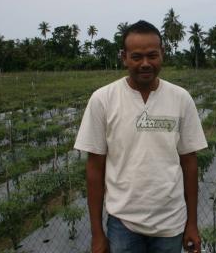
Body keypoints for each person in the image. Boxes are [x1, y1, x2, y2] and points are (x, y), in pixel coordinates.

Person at [74, 20, 207, 253]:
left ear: (162, 54)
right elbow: (95, 167)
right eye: (136, 57)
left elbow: (190, 162)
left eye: (152, 55)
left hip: (171, 223)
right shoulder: (103, 99)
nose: (145, 63)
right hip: (123, 223)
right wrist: (97, 233)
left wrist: (192, 224)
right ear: (124, 57)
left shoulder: (181, 98)